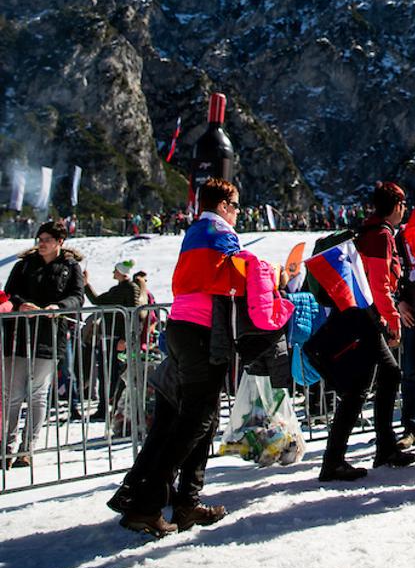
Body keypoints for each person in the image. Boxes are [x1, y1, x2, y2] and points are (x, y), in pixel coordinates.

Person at [109, 177, 247, 536]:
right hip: (202, 332)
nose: (236, 214)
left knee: (203, 417)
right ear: (222, 206)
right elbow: (229, 281)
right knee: (197, 420)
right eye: (234, 207)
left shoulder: (193, 231)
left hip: (182, 328)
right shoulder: (219, 232)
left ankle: (186, 501)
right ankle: (149, 503)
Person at [318, 182, 415, 482]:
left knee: (383, 377)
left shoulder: (367, 231)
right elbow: (379, 285)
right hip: (368, 319)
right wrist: (392, 323)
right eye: (403, 204)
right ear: (396, 205)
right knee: (367, 385)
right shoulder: (381, 236)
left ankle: (379, 447)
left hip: (360, 317)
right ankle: (336, 460)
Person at [3, 219, 85, 468]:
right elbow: (9, 292)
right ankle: (6, 445)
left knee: (38, 394)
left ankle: (27, 448)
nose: (42, 244)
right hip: (18, 334)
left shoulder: (70, 267)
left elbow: (77, 297)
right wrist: (21, 304)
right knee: (12, 394)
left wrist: (58, 308)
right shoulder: (24, 265)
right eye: (40, 239)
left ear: (60, 242)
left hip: (49, 336)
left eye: (47, 240)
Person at [82, 258, 142, 420]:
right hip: (109, 337)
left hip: (117, 338)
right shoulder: (118, 289)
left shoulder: (130, 288)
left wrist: (125, 337)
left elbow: (133, 313)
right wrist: (86, 284)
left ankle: (114, 406)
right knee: (105, 374)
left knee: (115, 375)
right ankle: (104, 406)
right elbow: (99, 301)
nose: (113, 273)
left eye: (115, 270)